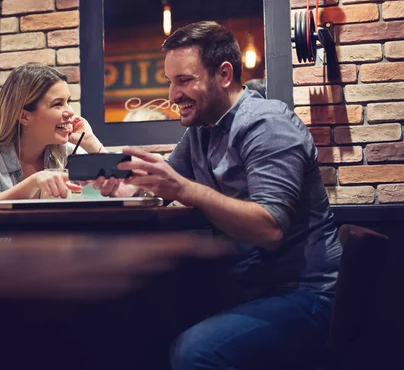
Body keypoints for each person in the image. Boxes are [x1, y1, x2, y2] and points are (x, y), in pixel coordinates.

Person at [94, 21, 342, 369]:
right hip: (247, 288)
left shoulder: (266, 124)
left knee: (195, 351)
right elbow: (156, 185)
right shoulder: (203, 130)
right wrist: (119, 188)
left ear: (224, 74)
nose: (172, 95)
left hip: (304, 294)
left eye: (184, 80)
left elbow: (270, 229)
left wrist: (184, 189)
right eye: (170, 81)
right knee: (133, 326)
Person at [0, 63, 107, 211]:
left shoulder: (68, 152)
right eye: (58, 104)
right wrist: (34, 182)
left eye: (68, 102)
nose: (70, 112)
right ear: (24, 116)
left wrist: (91, 143)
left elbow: (118, 192)